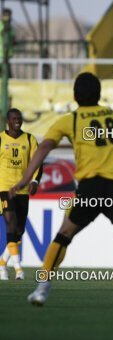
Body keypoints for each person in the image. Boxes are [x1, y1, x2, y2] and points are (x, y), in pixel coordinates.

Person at [9, 73, 113, 306]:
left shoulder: (71, 120)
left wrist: (27, 177)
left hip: (90, 188)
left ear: (75, 96)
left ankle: (41, 289)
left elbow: (45, 145)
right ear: (99, 94)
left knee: (63, 236)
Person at [0, 108, 42, 280]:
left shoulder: (30, 139)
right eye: (14, 119)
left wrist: (34, 181)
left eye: (19, 118)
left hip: (22, 189)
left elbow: (37, 162)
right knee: (10, 223)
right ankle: (18, 269)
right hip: (4, 188)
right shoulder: (1, 139)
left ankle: (2, 264)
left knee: (19, 230)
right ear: (7, 121)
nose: (17, 121)